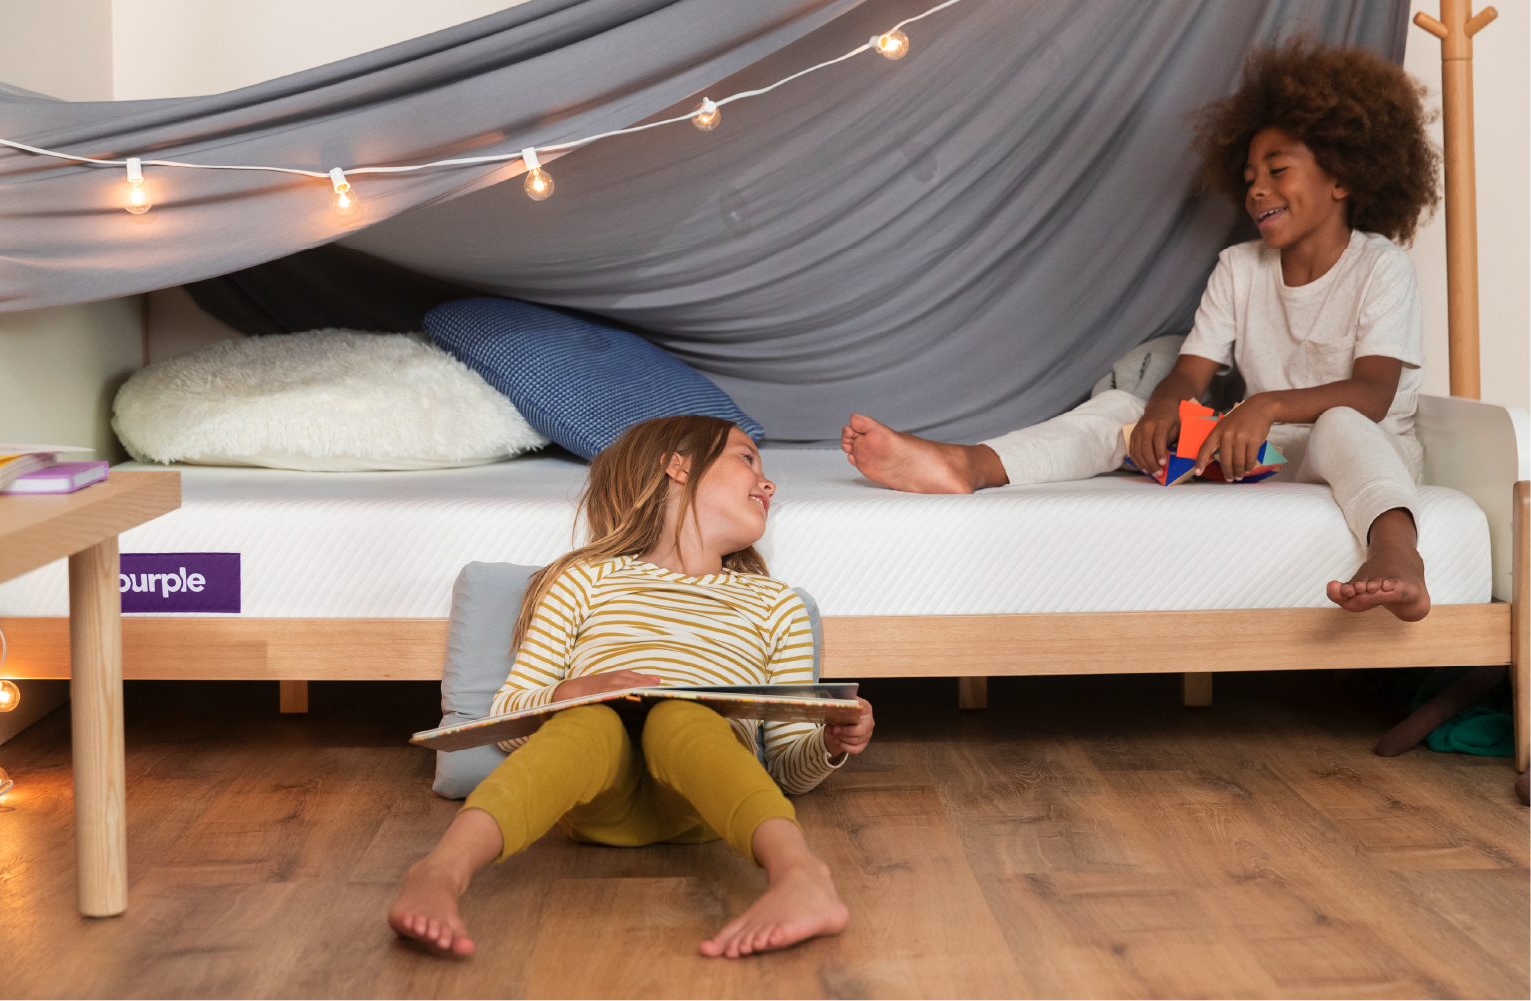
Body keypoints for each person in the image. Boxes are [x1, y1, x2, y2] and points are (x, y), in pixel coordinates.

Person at [842, 39, 1440, 622]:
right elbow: (1189, 370)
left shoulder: (1381, 267)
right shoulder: (1239, 267)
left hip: (1363, 452)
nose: (1256, 188)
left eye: (1277, 170)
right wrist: (1162, 414)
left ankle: (1395, 551)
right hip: (1266, 451)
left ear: (1344, 178)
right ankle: (968, 465)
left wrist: (1265, 403)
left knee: (1340, 422)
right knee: (1122, 408)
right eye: (1250, 175)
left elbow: (1373, 395)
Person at [389, 415, 876, 958]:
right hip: (601, 799)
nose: (768, 483)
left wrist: (831, 743)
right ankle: (440, 871)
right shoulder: (586, 580)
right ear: (678, 466)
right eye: (746, 459)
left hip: (700, 804)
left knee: (681, 716)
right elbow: (510, 718)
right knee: (590, 721)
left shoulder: (777, 605)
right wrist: (570, 693)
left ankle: (802, 877)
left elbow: (785, 766)